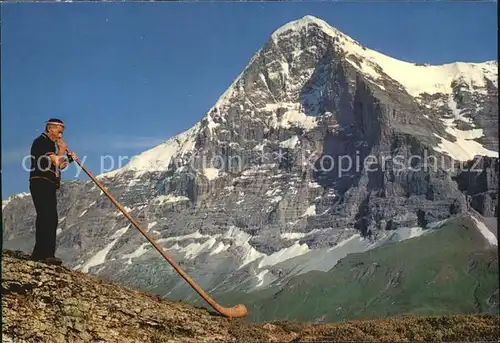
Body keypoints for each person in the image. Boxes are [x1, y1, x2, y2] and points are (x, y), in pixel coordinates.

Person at [29, 118, 77, 265]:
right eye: (59, 132)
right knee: (47, 217)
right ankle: (46, 254)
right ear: (50, 129)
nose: (60, 136)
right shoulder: (42, 142)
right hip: (41, 182)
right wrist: (62, 149)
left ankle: (40, 253)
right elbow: (55, 161)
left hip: (48, 183)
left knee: (49, 217)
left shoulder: (49, 144)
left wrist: (69, 160)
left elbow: (59, 165)